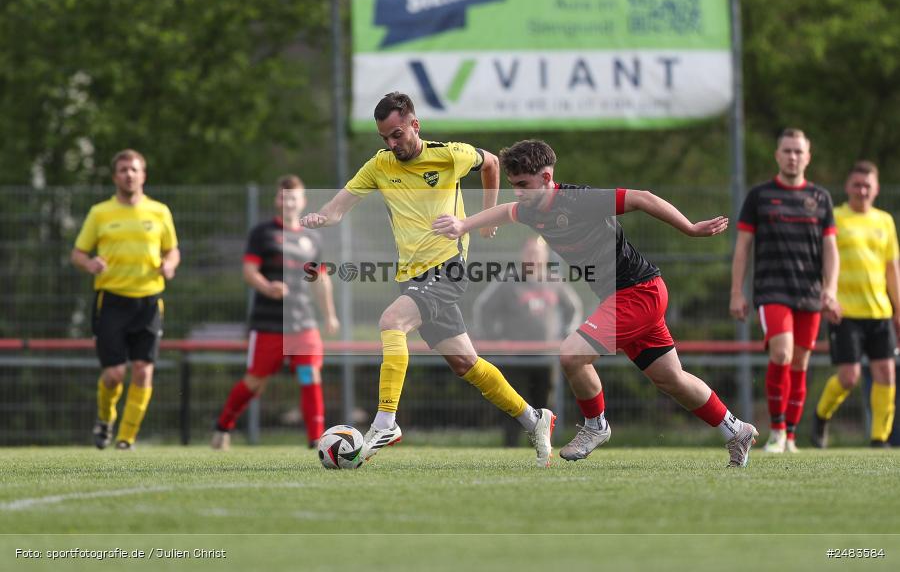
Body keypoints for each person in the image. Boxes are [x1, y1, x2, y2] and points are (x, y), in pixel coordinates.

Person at [433, 139, 759, 467]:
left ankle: (596, 425)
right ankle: (736, 430)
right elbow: (505, 211)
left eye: (523, 185)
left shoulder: (578, 201)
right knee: (671, 379)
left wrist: (689, 228)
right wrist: (464, 225)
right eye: (514, 185)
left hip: (638, 292)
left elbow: (642, 198)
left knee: (572, 354)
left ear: (546, 178)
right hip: (629, 296)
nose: (517, 192)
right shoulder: (531, 208)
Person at [300, 92, 556, 467]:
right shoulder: (379, 165)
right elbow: (338, 207)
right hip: (412, 276)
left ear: (415, 125)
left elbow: (490, 162)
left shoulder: (449, 155)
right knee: (465, 363)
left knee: (392, 322)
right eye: (385, 137)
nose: (392, 144)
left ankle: (385, 422)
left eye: (397, 134)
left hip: (448, 267)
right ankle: (534, 419)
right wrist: (322, 217)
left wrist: (486, 218)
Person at [730, 128, 840, 453]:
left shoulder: (821, 198)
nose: (793, 156)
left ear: (808, 157)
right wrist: (736, 291)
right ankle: (776, 431)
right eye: (788, 151)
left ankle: (791, 436)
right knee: (782, 354)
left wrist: (830, 289)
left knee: (801, 363)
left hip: (809, 292)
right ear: (777, 155)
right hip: (771, 289)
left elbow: (831, 249)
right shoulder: (759, 196)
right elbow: (743, 247)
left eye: (798, 151)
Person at [212, 176, 339, 450]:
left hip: (303, 323)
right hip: (268, 324)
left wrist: (329, 314)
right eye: (284, 197)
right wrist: (267, 287)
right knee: (255, 383)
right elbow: (249, 272)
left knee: (309, 375)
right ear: (276, 200)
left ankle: (316, 440)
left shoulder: (312, 238)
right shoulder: (262, 233)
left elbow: (320, 279)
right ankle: (223, 427)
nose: (288, 202)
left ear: (303, 201)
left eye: (294, 197)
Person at [72, 149, 180, 450]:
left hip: (148, 301)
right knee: (114, 374)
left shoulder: (159, 211)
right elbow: (78, 253)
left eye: (134, 169)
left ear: (143, 175)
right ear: (114, 177)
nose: (129, 174)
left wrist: (170, 264)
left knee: (144, 370)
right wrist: (90, 263)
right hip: (112, 302)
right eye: (123, 170)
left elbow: (172, 249)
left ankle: (126, 438)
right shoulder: (100, 213)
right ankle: (105, 419)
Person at [811, 161, 898, 448]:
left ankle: (879, 439)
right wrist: (827, 296)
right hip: (844, 312)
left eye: (867, 185)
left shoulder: (884, 221)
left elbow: (892, 268)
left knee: (886, 373)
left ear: (876, 189)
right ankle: (821, 416)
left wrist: (898, 309)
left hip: (879, 311)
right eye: (857, 185)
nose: (862, 190)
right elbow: (822, 261)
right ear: (848, 186)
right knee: (849, 378)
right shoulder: (835, 217)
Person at [473, 236, 582, 446]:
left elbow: (573, 308)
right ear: (522, 255)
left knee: (544, 407)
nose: (533, 257)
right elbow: (483, 308)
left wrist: (568, 335)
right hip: (515, 357)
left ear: (545, 256)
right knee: (512, 404)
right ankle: (510, 448)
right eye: (530, 253)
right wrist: (494, 339)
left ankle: (542, 447)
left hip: (545, 357)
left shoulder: (554, 281)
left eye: (537, 253)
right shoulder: (508, 281)